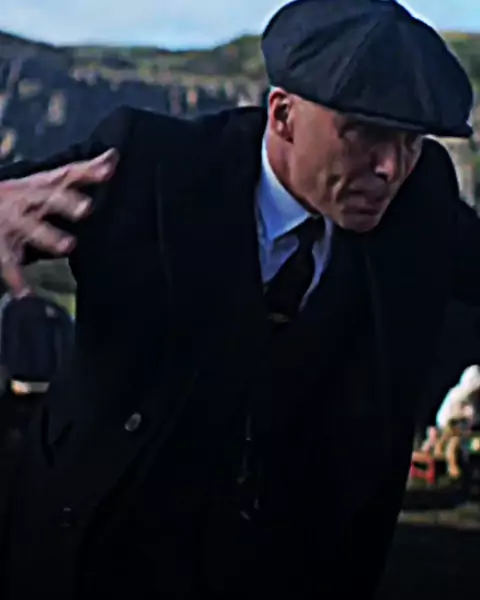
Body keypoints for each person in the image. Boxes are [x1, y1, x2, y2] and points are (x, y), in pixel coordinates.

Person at [0, 0, 478, 597]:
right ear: (283, 115)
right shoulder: (151, 164)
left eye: (411, 140)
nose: (390, 167)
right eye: (363, 131)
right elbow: (20, 199)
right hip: (98, 547)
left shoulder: (421, 200)